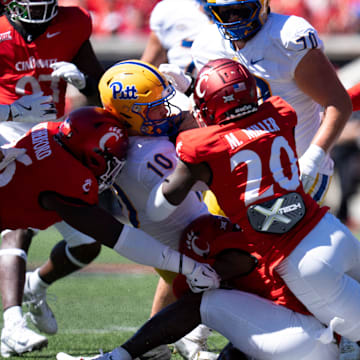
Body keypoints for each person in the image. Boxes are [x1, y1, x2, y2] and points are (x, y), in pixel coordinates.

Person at [14, 60, 221, 360]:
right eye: (155, 108)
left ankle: (157, 345)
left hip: (162, 239)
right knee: (238, 284)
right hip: (183, 241)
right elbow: (213, 158)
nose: (165, 112)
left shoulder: (129, 140)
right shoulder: (149, 156)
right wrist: (192, 99)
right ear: (130, 114)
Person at [143, 58, 360, 344]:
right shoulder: (280, 111)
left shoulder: (202, 145)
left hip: (296, 258)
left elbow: (157, 210)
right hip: (332, 231)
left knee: (343, 343)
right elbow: (240, 123)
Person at [161, 0, 352, 209]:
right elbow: (220, 113)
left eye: (240, 10)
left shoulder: (288, 38)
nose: (233, 19)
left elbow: (338, 103)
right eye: (225, 12)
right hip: (241, 167)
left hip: (294, 166)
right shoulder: (207, 46)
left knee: (282, 239)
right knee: (213, 235)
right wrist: (191, 89)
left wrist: (314, 158)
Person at [0, 0, 106, 349]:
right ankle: (11, 324)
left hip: (51, 138)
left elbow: (97, 90)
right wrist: (12, 109)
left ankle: (36, 286)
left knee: (88, 241)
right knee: (17, 227)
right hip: (5, 136)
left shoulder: (74, 21)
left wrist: (85, 80)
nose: (37, 13)